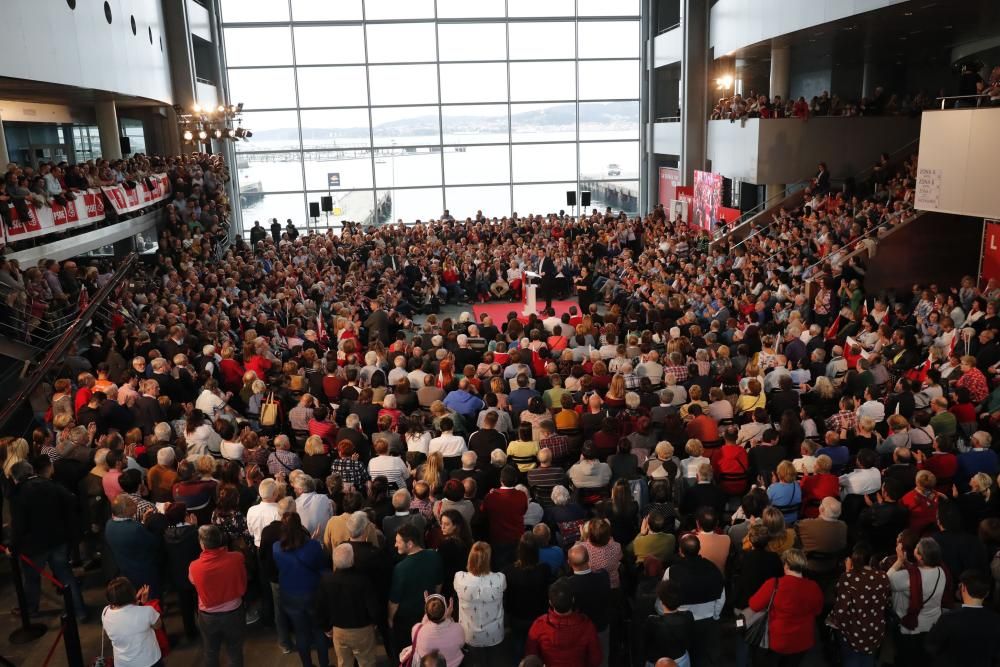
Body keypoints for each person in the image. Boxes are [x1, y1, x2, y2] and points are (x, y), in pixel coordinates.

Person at [11, 457, 88, 621]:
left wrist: (14, 545)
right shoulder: (50, 484)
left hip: (34, 546)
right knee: (66, 577)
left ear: (16, 477)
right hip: (58, 540)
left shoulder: (19, 493)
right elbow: (71, 499)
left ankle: (30, 609)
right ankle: (80, 611)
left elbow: (19, 524)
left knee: (31, 579)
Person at [272, 512, 330, 667]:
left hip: (290, 595)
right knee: (319, 632)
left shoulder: (276, 548)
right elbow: (321, 566)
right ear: (300, 526)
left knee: (301, 633)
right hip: (312, 593)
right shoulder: (312, 545)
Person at [747, 549, 824, 665]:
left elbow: (754, 604)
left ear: (786, 565)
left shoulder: (774, 584)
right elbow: (818, 611)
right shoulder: (814, 587)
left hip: (777, 640)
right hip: (803, 641)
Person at [189, 524, 248, 667]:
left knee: (210, 651)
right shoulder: (237, 558)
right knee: (235, 650)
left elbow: (193, 582)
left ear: (202, 544)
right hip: (233, 612)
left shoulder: (194, 566)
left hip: (208, 616)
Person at [827, 542, 892, 667]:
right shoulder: (883, 576)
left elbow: (841, 609)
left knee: (851, 659)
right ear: (871, 558)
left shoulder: (848, 577)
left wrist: (832, 621)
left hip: (853, 630)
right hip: (875, 629)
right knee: (868, 659)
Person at [888, 536, 948, 663]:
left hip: (910, 628)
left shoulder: (906, 577)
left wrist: (899, 561)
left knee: (909, 658)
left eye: (916, 548)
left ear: (920, 556)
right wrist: (907, 563)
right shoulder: (940, 571)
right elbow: (920, 572)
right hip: (932, 625)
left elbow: (886, 580)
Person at [389, 523, 444, 655]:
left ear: (410, 544)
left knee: (408, 652)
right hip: (429, 614)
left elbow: (394, 602)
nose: (395, 545)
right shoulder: (434, 556)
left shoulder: (401, 568)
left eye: (398, 542)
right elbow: (439, 584)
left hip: (406, 621)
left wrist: (390, 619)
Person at [925, 569, 1000, 666]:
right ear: (987, 593)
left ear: (963, 588)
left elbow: (931, 646)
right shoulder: (996, 620)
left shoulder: (948, 619)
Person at [526, 580, 602, 667]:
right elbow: (595, 659)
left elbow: (531, 656)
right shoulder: (587, 626)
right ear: (573, 599)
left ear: (550, 602)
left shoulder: (539, 625)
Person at [453, 541, 507, 663]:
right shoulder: (499, 578)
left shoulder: (459, 578)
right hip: (494, 632)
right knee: (494, 661)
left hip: (469, 633)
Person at [101, 577, 163, 667]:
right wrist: (142, 603)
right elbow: (158, 625)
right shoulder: (147, 611)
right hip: (149, 661)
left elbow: (125, 612)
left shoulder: (105, 612)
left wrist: (137, 602)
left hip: (122, 663)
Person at [642, 580, 695, 667]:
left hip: (658, 663)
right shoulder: (688, 616)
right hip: (682, 659)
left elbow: (646, 646)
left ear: (661, 600)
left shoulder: (652, 621)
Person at [408, 594, 466, 667]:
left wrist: (427, 614)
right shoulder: (458, 629)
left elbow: (423, 627)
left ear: (427, 613)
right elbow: (461, 645)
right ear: (445, 611)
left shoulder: (417, 629)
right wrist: (449, 617)